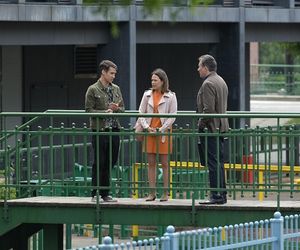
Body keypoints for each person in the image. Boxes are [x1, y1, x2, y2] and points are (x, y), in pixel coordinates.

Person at [85, 60, 125, 202]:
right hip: (100, 129)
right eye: (111, 73)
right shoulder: (93, 89)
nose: (113, 76)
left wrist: (116, 109)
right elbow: (89, 110)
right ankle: (95, 192)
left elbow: (123, 109)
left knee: (111, 161)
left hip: (114, 129)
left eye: (115, 73)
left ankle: (105, 192)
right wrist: (105, 112)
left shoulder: (116, 89)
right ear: (103, 72)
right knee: (99, 161)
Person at [135, 68, 177, 202]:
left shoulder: (171, 96)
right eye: (152, 80)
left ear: (162, 81)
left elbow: (173, 115)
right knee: (151, 163)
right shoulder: (147, 95)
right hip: (150, 132)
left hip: (163, 132)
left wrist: (162, 129)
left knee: (165, 163)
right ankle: (151, 193)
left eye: (155, 80)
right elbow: (141, 112)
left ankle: (165, 193)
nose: (153, 82)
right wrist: (147, 128)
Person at [196, 54, 229, 205]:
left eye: (199, 66)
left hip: (211, 128)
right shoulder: (221, 80)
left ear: (205, 67)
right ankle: (221, 194)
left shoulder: (208, 83)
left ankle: (215, 195)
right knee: (219, 162)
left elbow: (208, 109)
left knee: (213, 163)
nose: (198, 69)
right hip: (221, 127)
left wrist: (200, 124)